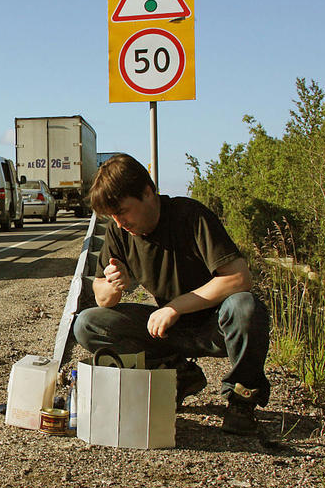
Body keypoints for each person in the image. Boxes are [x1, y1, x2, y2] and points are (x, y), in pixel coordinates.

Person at [73, 153, 271, 435]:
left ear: (147, 192)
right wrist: (112, 285)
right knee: (88, 323)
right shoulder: (120, 232)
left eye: (123, 211)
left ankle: (241, 401)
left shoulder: (190, 216)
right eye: (112, 216)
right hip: (169, 332)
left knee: (245, 307)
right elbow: (102, 297)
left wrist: (175, 307)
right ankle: (176, 374)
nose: (119, 222)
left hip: (216, 325)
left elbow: (239, 277)